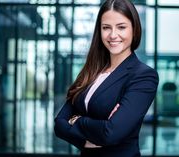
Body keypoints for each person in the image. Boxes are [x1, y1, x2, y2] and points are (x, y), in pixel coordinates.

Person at [54, 0, 159, 156]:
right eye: (106, 28)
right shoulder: (91, 71)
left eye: (121, 27)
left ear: (134, 30)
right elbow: (59, 124)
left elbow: (111, 132)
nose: (112, 35)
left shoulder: (143, 76)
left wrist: (76, 120)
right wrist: (84, 139)